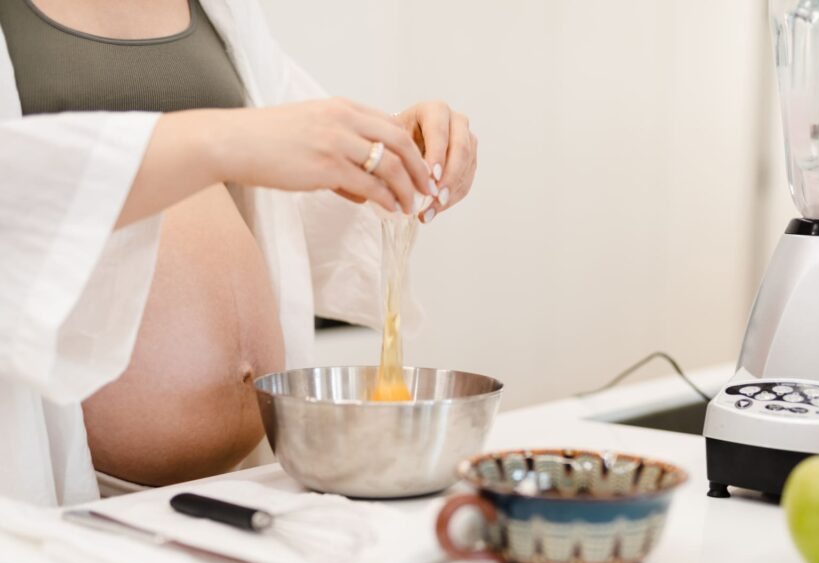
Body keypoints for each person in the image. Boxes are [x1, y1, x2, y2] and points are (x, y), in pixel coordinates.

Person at [0, 0, 478, 505]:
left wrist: (394, 147)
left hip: (250, 480)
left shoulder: (221, 8)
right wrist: (224, 140)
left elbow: (291, 154)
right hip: (77, 494)